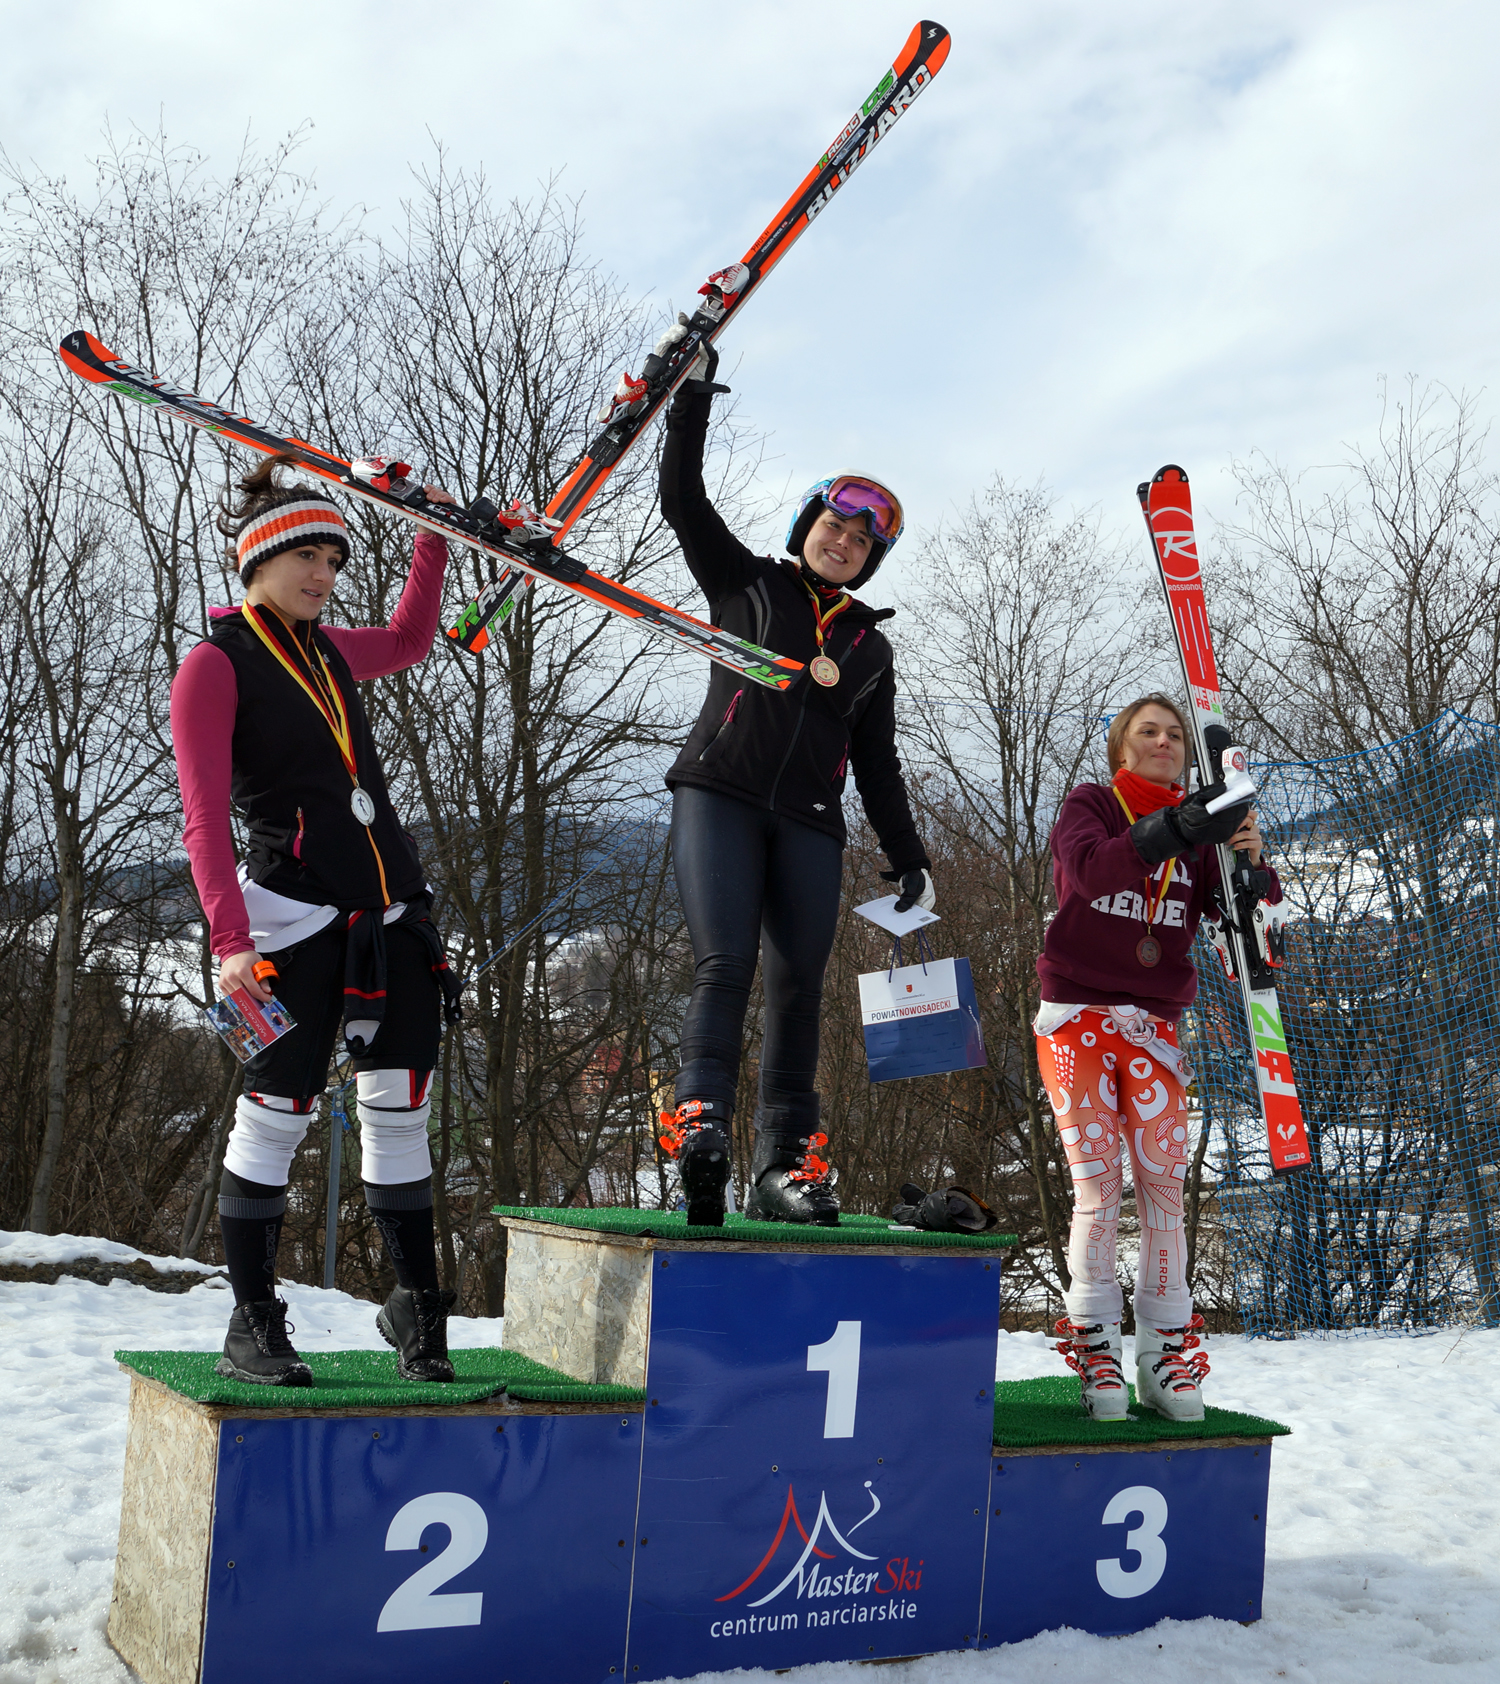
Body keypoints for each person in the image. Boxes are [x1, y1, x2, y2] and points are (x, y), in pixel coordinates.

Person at [172, 456, 463, 1386]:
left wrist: (430, 535)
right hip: (285, 927)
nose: (324, 575)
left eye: (335, 560)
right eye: (306, 555)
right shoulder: (215, 665)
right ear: (258, 559)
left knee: (398, 1109)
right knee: (276, 1115)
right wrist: (229, 941)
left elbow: (415, 638)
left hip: (390, 917)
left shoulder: (333, 652)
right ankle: (253, 1322)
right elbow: (202, 817)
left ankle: (418, 1312)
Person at [655, 349, 934, 1227]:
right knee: (726, 962)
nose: (842, 542)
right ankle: (701, 1122)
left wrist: (908, 853)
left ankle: (784, 1164)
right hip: (722, 794)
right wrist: (691, 399)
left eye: (861, 541)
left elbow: (878, 763)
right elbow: (683, 501)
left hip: (812, 824)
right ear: (807, 522)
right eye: (833, 525)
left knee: (801, 984)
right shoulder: (748, 583)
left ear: (869, 562)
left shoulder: (870, 649)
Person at [1035, 694, 1279, 1422]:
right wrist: (1176, 826)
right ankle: (1097, 1344)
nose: (1165, 741)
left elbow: (1237, 920)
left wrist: (1251, 868)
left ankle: (1163, 1352)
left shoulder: (1202, 834)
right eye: (1150, 731)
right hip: (1077, 1018)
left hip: (1155, 1027)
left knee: (1166, 1188)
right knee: (1097, 1184)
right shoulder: (1091, 804)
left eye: (1175, 734)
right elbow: (1090, 874)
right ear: (1123, 748)